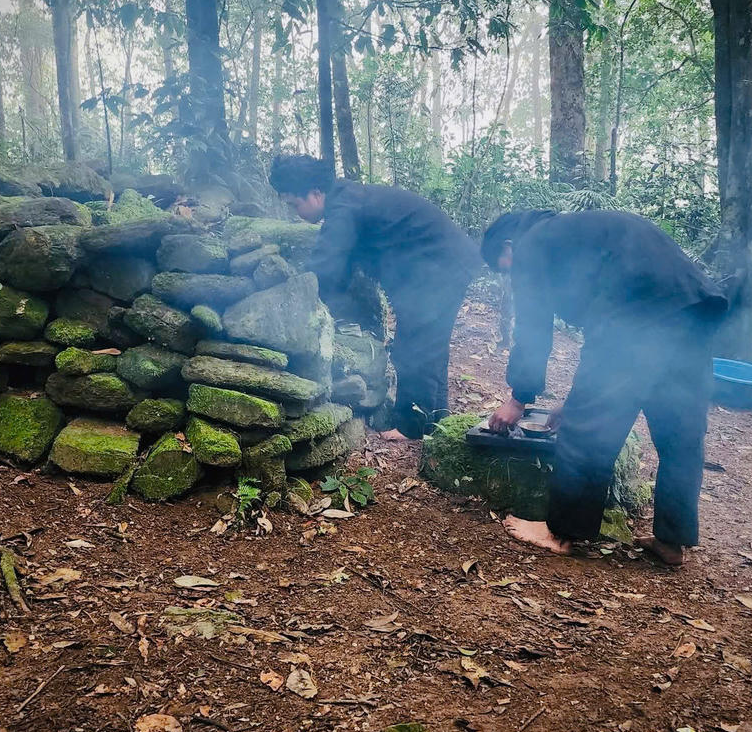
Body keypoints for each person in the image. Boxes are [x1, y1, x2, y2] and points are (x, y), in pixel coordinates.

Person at [482, 209, 728, 565]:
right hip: (693, 312)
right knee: (680, 435)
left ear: (508, 245)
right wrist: (575, 403)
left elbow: (534, 330)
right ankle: (671, 541)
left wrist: (518, 400)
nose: (510, 274)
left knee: (588, 433)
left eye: (503, 266)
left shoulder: (531, 244)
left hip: (636, 317)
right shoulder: (580, 231)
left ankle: (561, 533)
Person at [270, 155, 482, 440]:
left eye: (295, 204)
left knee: (415, 345)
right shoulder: (348, 199)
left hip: (438, 266)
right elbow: (343, 265)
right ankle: (436, 419)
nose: (295, 213)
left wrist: (294, 296)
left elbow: (327, 264)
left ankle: (413, 426)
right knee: (430, 342)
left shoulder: (345, 207)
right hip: (444, 262)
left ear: (316, 192)